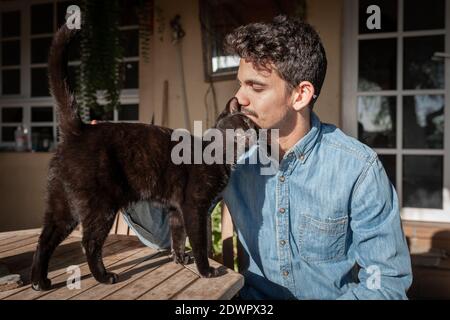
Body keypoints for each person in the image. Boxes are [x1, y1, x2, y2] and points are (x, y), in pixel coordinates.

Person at [123, 15, 412, 300]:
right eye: (240, 84)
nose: (239, 98)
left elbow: (386, 285)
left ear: (300, 95)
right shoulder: (227, 153)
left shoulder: (358, 168)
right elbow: (163, 235)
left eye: (256, 86)